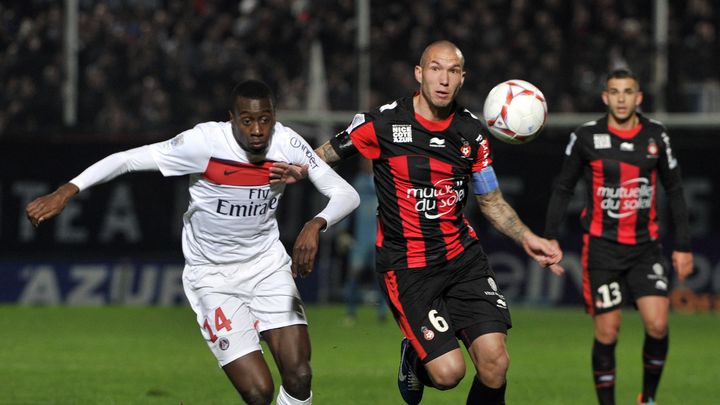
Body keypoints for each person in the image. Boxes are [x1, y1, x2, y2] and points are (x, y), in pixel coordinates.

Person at [25, 79, 360, 405]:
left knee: (299, 375)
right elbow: (126, 159)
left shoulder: (286, 143)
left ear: (274, 117)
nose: (257, 130)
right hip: (211, 278)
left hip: (266, 267)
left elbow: (345, 194)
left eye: (265, 120)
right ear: (232, 119)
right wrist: (67, 190)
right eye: (247, 121)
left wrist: (316, 224)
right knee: (258, 393)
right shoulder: (203, 144)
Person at [272, 40, 561, 405]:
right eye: (436, 69)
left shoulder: (471, 133)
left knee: (495, 364)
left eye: (453, 71)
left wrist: (526, 237)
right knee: (448, 375)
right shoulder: (384, 123)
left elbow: (491, 200)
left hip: (462, 260)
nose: (443, 79)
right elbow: (328, 153)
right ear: (419, 74)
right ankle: (416, 355)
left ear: (462, 79)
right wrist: (299, 169)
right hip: (408, 268)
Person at [544, 69, 694, 405]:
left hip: (645, 249)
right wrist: (550, 236)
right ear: (605, 97)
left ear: (639, 97)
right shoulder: (586, 136)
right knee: (608, 332)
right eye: (615, 91)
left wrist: (683, 245)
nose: (622, 98)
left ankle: (648, 399)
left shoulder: (656, 135)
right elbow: (563, 186)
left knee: (657, 325)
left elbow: (675, 188)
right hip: (602, 250)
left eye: (628, 92)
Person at [339, 158, 387, 325]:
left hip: (379, 238)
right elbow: (348, 206)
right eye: (364, 162)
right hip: (361, 239)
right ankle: (350, 312)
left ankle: (383, 312)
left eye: (369, 162)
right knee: (354, 274)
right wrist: (343, 231)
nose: (366, 164)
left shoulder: (382, 179)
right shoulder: (358, 182)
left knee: (381, 276)